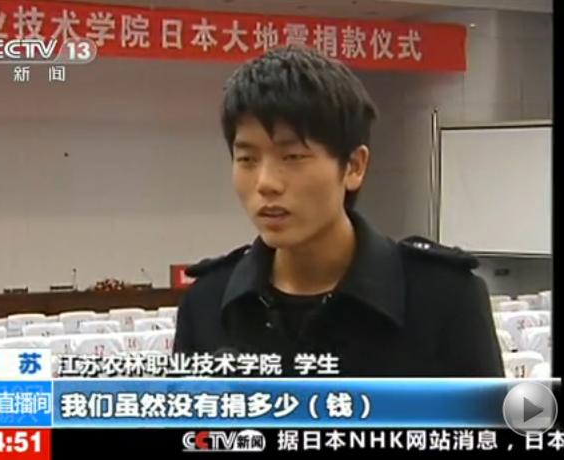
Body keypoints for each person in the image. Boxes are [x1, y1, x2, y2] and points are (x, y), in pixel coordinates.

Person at [173, 45, 504, 377]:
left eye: (293, 157)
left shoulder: (445, 299)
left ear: (354, 166)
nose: (266, 183)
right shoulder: (207, 303)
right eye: (247, 159)